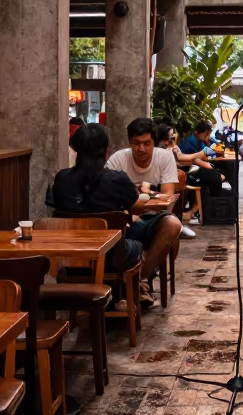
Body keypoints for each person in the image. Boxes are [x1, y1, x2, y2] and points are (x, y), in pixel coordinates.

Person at [52, 123, 182, 301]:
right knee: (136, 243)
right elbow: (135, 205)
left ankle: (124, 290)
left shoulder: (61, 179)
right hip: (113, 258)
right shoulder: (116, 179)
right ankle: (133, 286)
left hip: (72, 258)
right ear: (106, 150)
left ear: (75, 149)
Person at [106, 116, 178, 190]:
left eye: (147, 143)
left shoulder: (165, 157)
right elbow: (106, 193)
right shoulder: (117, 160)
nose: (141, 149)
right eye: (136, 143)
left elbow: (167, 196)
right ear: (129, 142)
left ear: (154, 143)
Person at [173, 119, 229, 200]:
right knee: (216, 176)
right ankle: (212, 203)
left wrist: (207, 144)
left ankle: (211, 202)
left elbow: (204, 157)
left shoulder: (199, 139)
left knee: (218, 172)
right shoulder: (189, 142)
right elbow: (197, 159)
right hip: (188, 169)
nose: (208, 136)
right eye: (207, 134)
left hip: (194, 165)